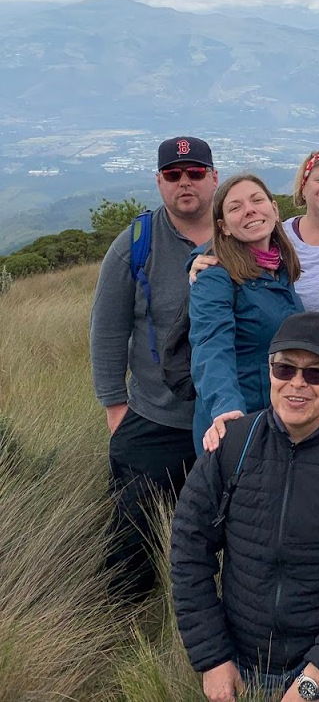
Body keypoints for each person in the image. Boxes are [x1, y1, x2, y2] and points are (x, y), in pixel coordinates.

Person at [171, 311, 319, 702]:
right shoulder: (232, 445)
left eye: (315, 374)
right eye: (285, 368)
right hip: (245, 652)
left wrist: (312, 679)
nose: (297, 384)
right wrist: (213, 658)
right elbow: (188, 547)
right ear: (270, 370)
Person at [90, 135, 218, 601]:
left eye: (196, 173)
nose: (185, 183)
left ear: (214, 178)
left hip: (231, 418)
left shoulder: (244, 234)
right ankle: (124, 621)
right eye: (173, 175)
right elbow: (107, 329)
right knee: (134, 533)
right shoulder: (135, 245)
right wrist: (115, 407)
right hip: (156, 419)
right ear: (160, 182)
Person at [193, 148, 319, 421]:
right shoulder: (280, 239)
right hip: (266, 402)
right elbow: (212, 345)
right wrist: (198, 259)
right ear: (303, 187)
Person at [189, 174, 304, 453]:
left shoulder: (280, 268)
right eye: (235, 207)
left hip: (280, 419)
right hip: (237, 424)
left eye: (256, 200)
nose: (250, 210)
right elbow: (211, 345)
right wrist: (226, 409)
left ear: (275, 210)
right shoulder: (215, 276)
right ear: (223, 227)